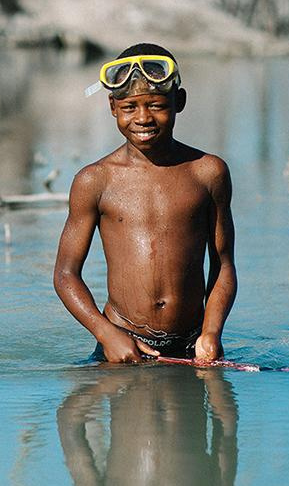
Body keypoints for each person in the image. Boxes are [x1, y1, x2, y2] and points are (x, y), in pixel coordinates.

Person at [53, 43, 237, 363]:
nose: (143, 118)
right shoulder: (94, 180)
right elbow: (66, 274)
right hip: (121, 345)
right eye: (129, 107)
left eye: (155, 105)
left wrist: (211, 332)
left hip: (193, 346)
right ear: (112, 106)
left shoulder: (208, 172)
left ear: (178, 101)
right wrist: (106, 333)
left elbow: (222, 264)